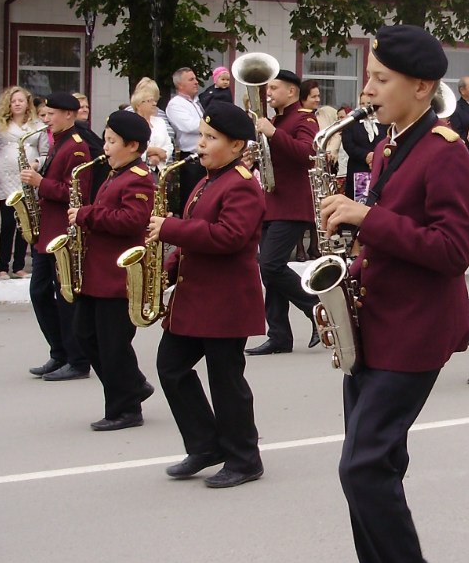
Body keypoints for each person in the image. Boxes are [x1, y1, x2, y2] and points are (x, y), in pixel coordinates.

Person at [317, 24, 469, 563]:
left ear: (422, 87)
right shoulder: (389, 147)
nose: (369, 88)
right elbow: (391, 242)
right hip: (373, 323)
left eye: (381, 79)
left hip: (415, 335)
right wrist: (349, 269)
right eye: (370, 76)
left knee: (362, 467)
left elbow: (452, 250)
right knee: (375, 470)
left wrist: (365, 218)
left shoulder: (445, 152)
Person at [155, 102, 268, 488]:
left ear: (237, 146)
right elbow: (194, 238)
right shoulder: (207, 180)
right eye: (201, 136)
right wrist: (165, 272)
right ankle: (205, 445)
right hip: (196, 298)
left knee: (226, 381)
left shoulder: (242, 185)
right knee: (171, 367)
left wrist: (169, 229)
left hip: (225, 302)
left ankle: (244, 458)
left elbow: (228, 237)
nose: (200, 144)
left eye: (210, 138)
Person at [69, 110, 156, 431]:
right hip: (98, 273)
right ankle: (133, 386)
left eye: (111, 141)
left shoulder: (139, 178)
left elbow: (132, 221)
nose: (104, 147)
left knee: (113, 344)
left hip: (118, 276)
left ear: (133, 146)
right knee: (85, 335)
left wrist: (86, 215)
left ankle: (125, 408)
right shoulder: (115, 172)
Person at [245, 69, 321, 355]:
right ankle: (279, 335)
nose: (269, 93)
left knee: (271, 266)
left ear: (291, 91)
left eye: (274, 88)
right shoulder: (276, 119)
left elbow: (307, 154)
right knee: (270, 271)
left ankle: (315, 307)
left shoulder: (304, 117)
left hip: (292, 204)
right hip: (271, 203)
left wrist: (273, 133)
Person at [21, 91, 95, 382]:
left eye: (51, 114)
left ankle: (77, 360)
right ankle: (59, 352)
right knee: (39, 292)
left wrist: (41, 183)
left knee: (65, 297)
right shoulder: (59, 142)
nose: (46, 118)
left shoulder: (76, 147)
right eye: (45, 113)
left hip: (61, 233)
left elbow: (76, 193)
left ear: (69, 114)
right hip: (47, 232)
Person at [0, 85, 43, 280]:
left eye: (21, 100)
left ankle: (19, 265)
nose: (18, 104)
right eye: (14, 101)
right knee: (8, 223)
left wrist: (37, 162)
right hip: (6, 176)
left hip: (28, 176)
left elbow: (44, 150)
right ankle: (2, 267)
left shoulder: (36, 125)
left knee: (26, 223)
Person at [165, 66, 207, 209]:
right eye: (191, 79)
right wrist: (210, 125)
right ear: (180, 85)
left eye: (195, 78)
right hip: (191, 159)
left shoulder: (195, 103)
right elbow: (189, 126)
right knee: (191, 197)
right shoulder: (175, 104)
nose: (196, 82)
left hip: (204, 156)